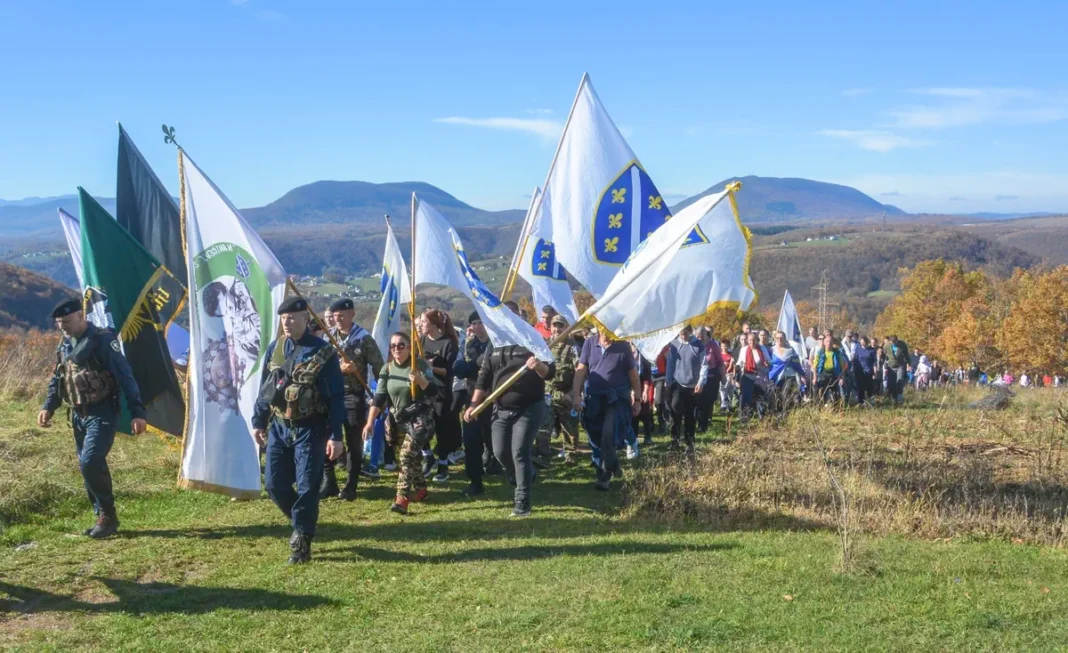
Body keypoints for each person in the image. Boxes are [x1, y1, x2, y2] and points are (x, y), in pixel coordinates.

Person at [38, 298, 148, 540]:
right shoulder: (65, 343)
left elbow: (125, 376)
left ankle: (107, 516)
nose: (62, 326)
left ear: (80, 315)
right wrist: (48, 407)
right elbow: (59, 378)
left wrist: (137, 413)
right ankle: (102, 515)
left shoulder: (102, 341)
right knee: (86, 465)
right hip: (78, 415)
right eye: (59, 323)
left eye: (66, 321)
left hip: (102, 412)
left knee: (90, 461)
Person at [252, 297, 345, 564]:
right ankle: (302, 520)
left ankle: (302, 539)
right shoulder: (276, 348)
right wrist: (258, 421)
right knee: (274, 484)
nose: (287, 322)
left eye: (292, 318)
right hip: (280, 426)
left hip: (310, 427)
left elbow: (336, 396)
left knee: (307, 486)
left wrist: (336, 436)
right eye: (283, 318)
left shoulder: (323, 352)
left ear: (306, 318)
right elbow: (266, 387)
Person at [464, 320, 554, 517]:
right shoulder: (495, 345)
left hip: (529, 407)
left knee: (519, 451)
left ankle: (522, 501)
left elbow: (550, 373)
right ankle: (524, 473)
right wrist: (473, 405)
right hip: (501, 408)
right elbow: (484, 378)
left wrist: (538, 366)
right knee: (500, 452)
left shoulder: (533, 341)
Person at [363, 332, 438, 515]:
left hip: (419, 419)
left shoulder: (419, 364)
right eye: (393, 346)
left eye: (401, 345)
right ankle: (421, 491)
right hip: (399, 419)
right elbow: (379, 398)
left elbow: (434, 390)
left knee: (405, 456)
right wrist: (369, 422)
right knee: (410, 458)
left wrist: (420, 380)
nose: (397, 348)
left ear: (409, 347)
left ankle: (401, 498)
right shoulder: (387, 369)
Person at [319, 298, 384, 500]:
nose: (337, 319)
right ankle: (329, 480)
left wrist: (381, 397)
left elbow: (379, 368)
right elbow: (318, 365)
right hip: (329, 395)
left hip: (353, 395)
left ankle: (351, 483)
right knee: (324, 435)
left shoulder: (363, 339)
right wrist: (339, 369)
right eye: (335, 315)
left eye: (341, 315)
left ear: (352, 314)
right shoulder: (328, 337)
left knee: (353, 439)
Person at [572, 329, 641, 491]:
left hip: (616, 399)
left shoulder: (623, 346)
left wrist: (637, 399)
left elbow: (633, 375)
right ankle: (613, 464)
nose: (609, 333)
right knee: (594, 436)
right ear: (599, 327)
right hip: (594, 398)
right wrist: (576, 395)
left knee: (608, 435)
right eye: (605, 328)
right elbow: (581, 370)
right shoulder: (589, 343)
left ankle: (604, 475)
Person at [454, 312, 496, 496]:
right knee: (471, 441)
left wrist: (475, 367)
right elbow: (458, 367)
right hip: (472, 399)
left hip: (494, 398)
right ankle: (475, 481)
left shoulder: (496, 344)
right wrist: (474, 366)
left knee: (495, 440)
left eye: (481, 322)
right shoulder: (468, 344)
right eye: (474, 323)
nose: (477, 327)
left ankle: (499, 465)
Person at [419, 308, 461, 483]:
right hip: (423, 389)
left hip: (441, 392)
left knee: (442, 428)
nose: (421, 325)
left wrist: (430, 367)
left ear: (434, 324)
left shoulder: (449, 343)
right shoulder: (421, 340)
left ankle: (443, 464)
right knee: (420, 425)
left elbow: (449, 371)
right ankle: (427, 456)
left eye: (423, 322)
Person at [664, 325, 708, 454]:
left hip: (693, 385)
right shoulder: (674, 344)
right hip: (677, 383)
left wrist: (701, 382)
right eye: (681, 334)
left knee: (690, 415)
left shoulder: (698, 345)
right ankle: (675, 440)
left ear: (690, 332)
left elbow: (704, 365)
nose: (683, 337)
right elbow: (670, 364)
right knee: (675, 410)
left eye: (685, 334)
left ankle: (689, 443)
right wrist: (668, 382)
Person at [547, 315, 582, 464]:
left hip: (566, 392)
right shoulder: (545, 345)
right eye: (554, 326)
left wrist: (575, 393)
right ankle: (542, 454)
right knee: (544, 425)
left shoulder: (573, 347)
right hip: (548, 392)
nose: (557, 329)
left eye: (560, 326)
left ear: (566, 328)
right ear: (550, 327)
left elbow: (579, 370)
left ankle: (570, 454)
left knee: (569, 426)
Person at [696, 327, 725, 432]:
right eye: (698, 337)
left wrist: (723, 377)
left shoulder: (713, 345)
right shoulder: (694, 345)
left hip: (711, 376)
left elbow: (720, 362)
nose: (700, 338)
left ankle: (704, 424)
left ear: (706, 335)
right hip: (697, 377)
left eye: (702, 336)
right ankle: (700, 423)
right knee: (699, 401)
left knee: (708, 401)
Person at [737, 331, 770, 416]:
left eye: (754, 340)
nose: (752, 342)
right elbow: (740, 362)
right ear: (748, 340)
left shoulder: (762, 348)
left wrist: (768, 363)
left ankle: (762, 415)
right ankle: (745, 416)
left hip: (760, 377)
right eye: (750, 340)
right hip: (747, 375)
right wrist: (737, 369)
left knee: (761, 397)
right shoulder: (744, 350)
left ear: (757, 340)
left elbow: (769, 360)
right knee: (746, 396)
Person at [769, 330, 804, 408]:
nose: (779, 340)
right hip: (776, 376)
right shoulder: (771, 350)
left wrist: (802, 374)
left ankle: (786, 411)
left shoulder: (790, 350)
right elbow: (768, 362)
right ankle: (777, 411)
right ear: (775, 339)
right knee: (776, 395)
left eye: (781, 338)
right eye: (777, 338)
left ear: (785, 338)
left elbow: (796, 363)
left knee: (786, 394)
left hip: (789, 375)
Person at [811, 334, 848, 404]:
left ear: (833, 343)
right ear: (824, 343)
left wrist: (842, 377)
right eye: (827, 342)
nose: (829, 343)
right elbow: (815, 365)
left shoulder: (837, 352)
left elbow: (842, 366)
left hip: (834, 374)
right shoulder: (820, 352)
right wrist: (815, 378)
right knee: (821, 392)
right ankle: (821, 406)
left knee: (835, 394)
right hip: (823, 374)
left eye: (830, 342)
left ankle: (836, 406)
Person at [630, 342, 654, 449]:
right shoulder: (627, 356)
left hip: (642, 384)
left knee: (645, 412)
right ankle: (634, 438)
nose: (634, 346)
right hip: (630, 386)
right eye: (632, 344)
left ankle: (648, 436)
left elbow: (647, 375)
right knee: (633, 413)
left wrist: (645, 391)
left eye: (635, 344)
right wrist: (631, 391)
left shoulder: (644, 356)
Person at [882, 335, 911, 404]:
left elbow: (906, 354)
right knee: (891, 383)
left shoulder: (902, 344)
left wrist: (909, 363)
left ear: (897, 340)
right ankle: (893, 397)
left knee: (900, 380)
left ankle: (900, 395)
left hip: (900, 365)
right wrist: (885, 366)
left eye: (895, 342)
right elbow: (885, 356)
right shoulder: (887, 345)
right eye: (893, 342)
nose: (894, 343)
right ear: (890, 341)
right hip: (891, 366)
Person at [852, 336, 877, 405]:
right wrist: (854, 368)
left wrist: (875, 372)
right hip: (859, 370)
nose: (862, 343)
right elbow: (855, 359)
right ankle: (861, 401)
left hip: (868, 370)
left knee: (869, 386)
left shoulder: (872, 350)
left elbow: (874, 361)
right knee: (860, 386)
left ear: (866, 342)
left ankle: (870, 398)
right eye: (861, 342)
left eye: (863, 342)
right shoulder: (858, 349)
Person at [719, 339, 736, 412]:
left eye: (726, 346)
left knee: (730, 390)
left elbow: (734, 365)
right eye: (723, 346)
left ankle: (729, 405)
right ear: (721, 346)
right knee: (723, 389)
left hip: (730, 374)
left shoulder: (731, 355)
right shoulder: (719, 355)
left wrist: (734, 374)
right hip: (723, 374)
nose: (724, 348)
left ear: (728, 346)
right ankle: (724, 404)